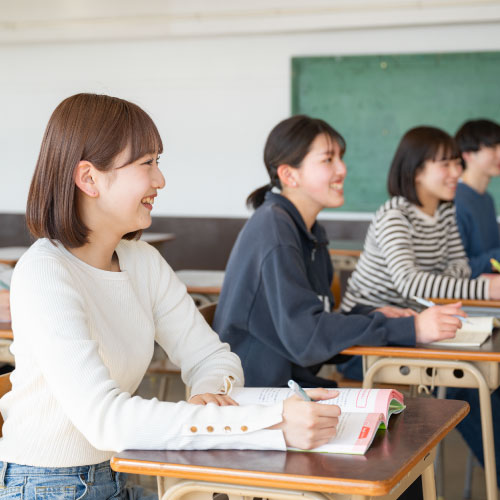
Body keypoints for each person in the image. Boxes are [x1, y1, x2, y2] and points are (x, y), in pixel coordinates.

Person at [0, 95, 342, 499]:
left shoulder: (141, 261)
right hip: (46, 487)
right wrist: (268, 423)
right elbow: (105, 420)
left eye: (158, 162)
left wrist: (210, 392)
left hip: (118, 474)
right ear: (89, 178)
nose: (160, 180)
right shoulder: (45, 271)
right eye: (147, 164)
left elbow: (214, 357)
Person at [213, 116, 465, 390]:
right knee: (405, 415)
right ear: (289, 175)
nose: (342, 169)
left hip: (292, 384)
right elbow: (307, 338)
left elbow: (311, 325)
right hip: (258, 393)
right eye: (328, 160)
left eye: (340, 158)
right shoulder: (275, 230)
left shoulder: (308, 230)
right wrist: (410, 329)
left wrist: (375, 316)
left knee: (408, 412)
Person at [340, 125, 500, 488]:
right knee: (467, 385)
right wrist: (482, 288)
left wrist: (465, 282)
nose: (456, 173)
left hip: (417, 327)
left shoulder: (444, 212)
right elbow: (410, 283)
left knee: (483, 383)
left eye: (457, 164)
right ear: (415, 171)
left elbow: (456, 266)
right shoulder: (394, 214)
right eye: (445, 165)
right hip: (368, 333)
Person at [454, 119, 500, 277]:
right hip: (467, 294)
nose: (499, 154)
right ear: (467, 154)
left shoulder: (487, 199)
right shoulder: (455, 200)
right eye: (492, 148)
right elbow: (458, 267)